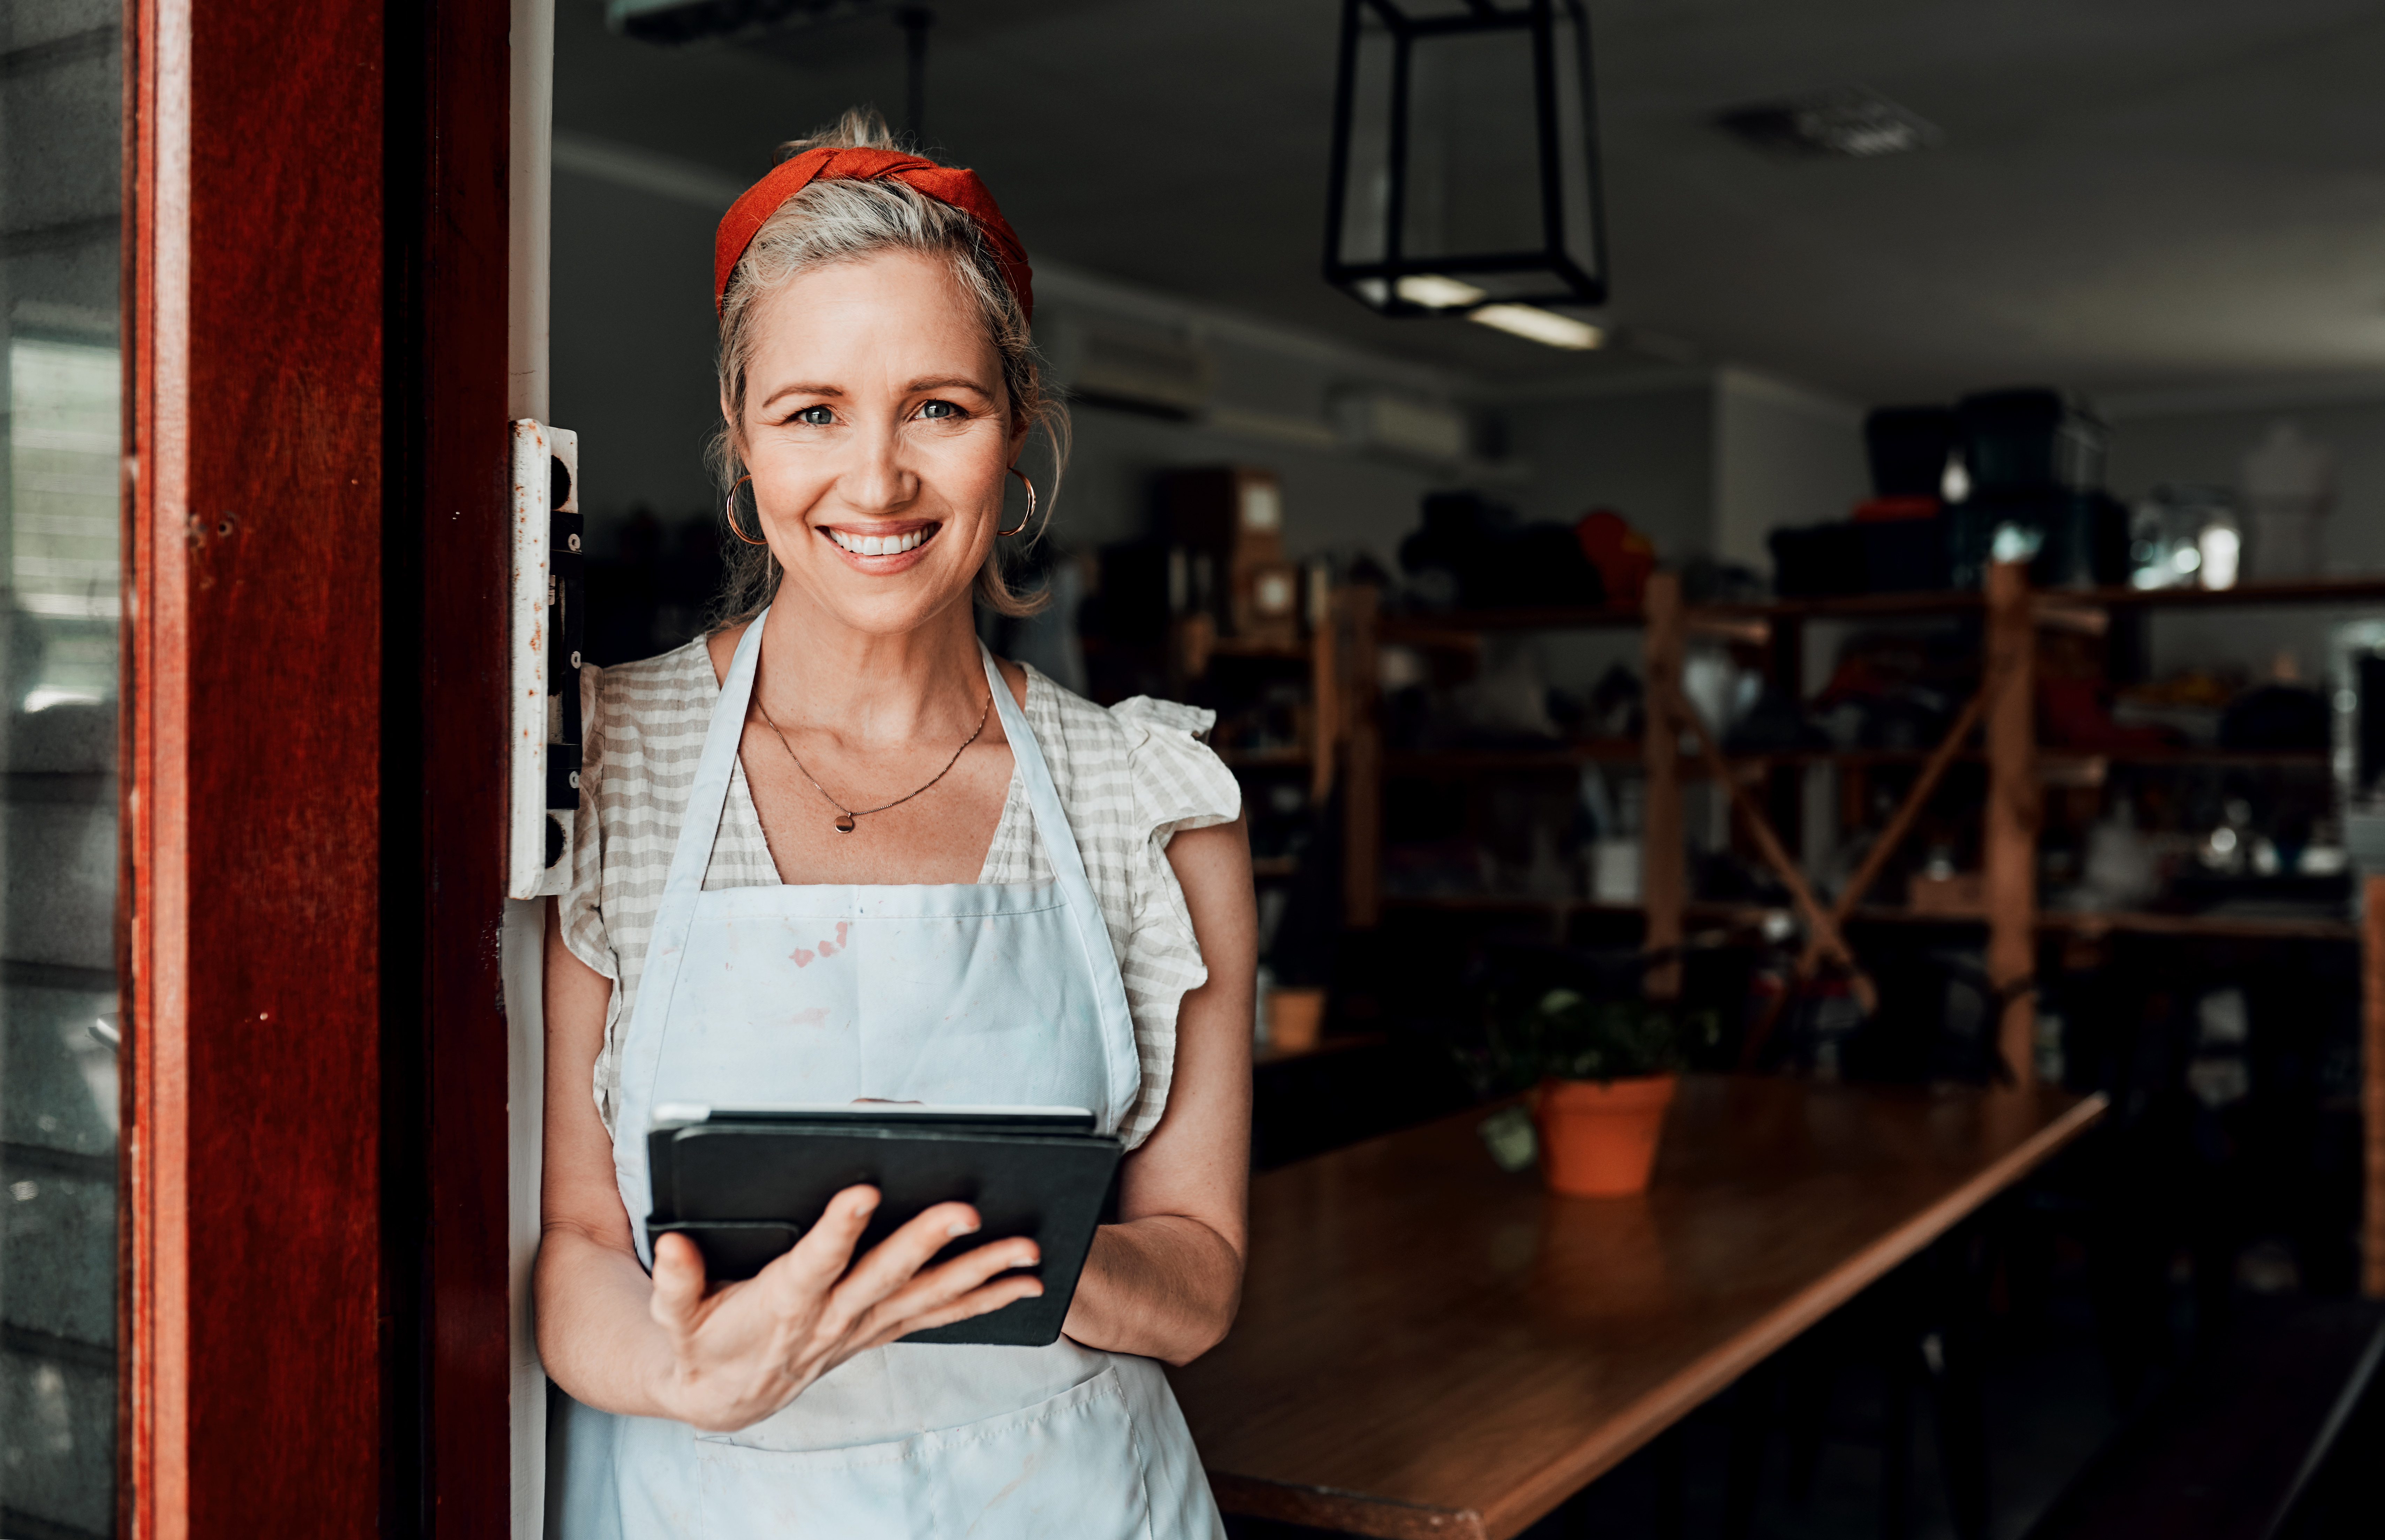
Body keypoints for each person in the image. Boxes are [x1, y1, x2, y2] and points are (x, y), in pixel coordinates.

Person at [537, 109, 1252, 1537]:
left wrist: (996, 1261)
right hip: (702, 1492)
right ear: (740, 439)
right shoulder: (604, 759)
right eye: (813, 412)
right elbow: (575, 1249)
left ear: (1019, 431)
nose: (876, 483)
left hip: (1064, 1492)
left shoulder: (1147, 803)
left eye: (940, 405)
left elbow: (1197, 1277)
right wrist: (688, 1367)